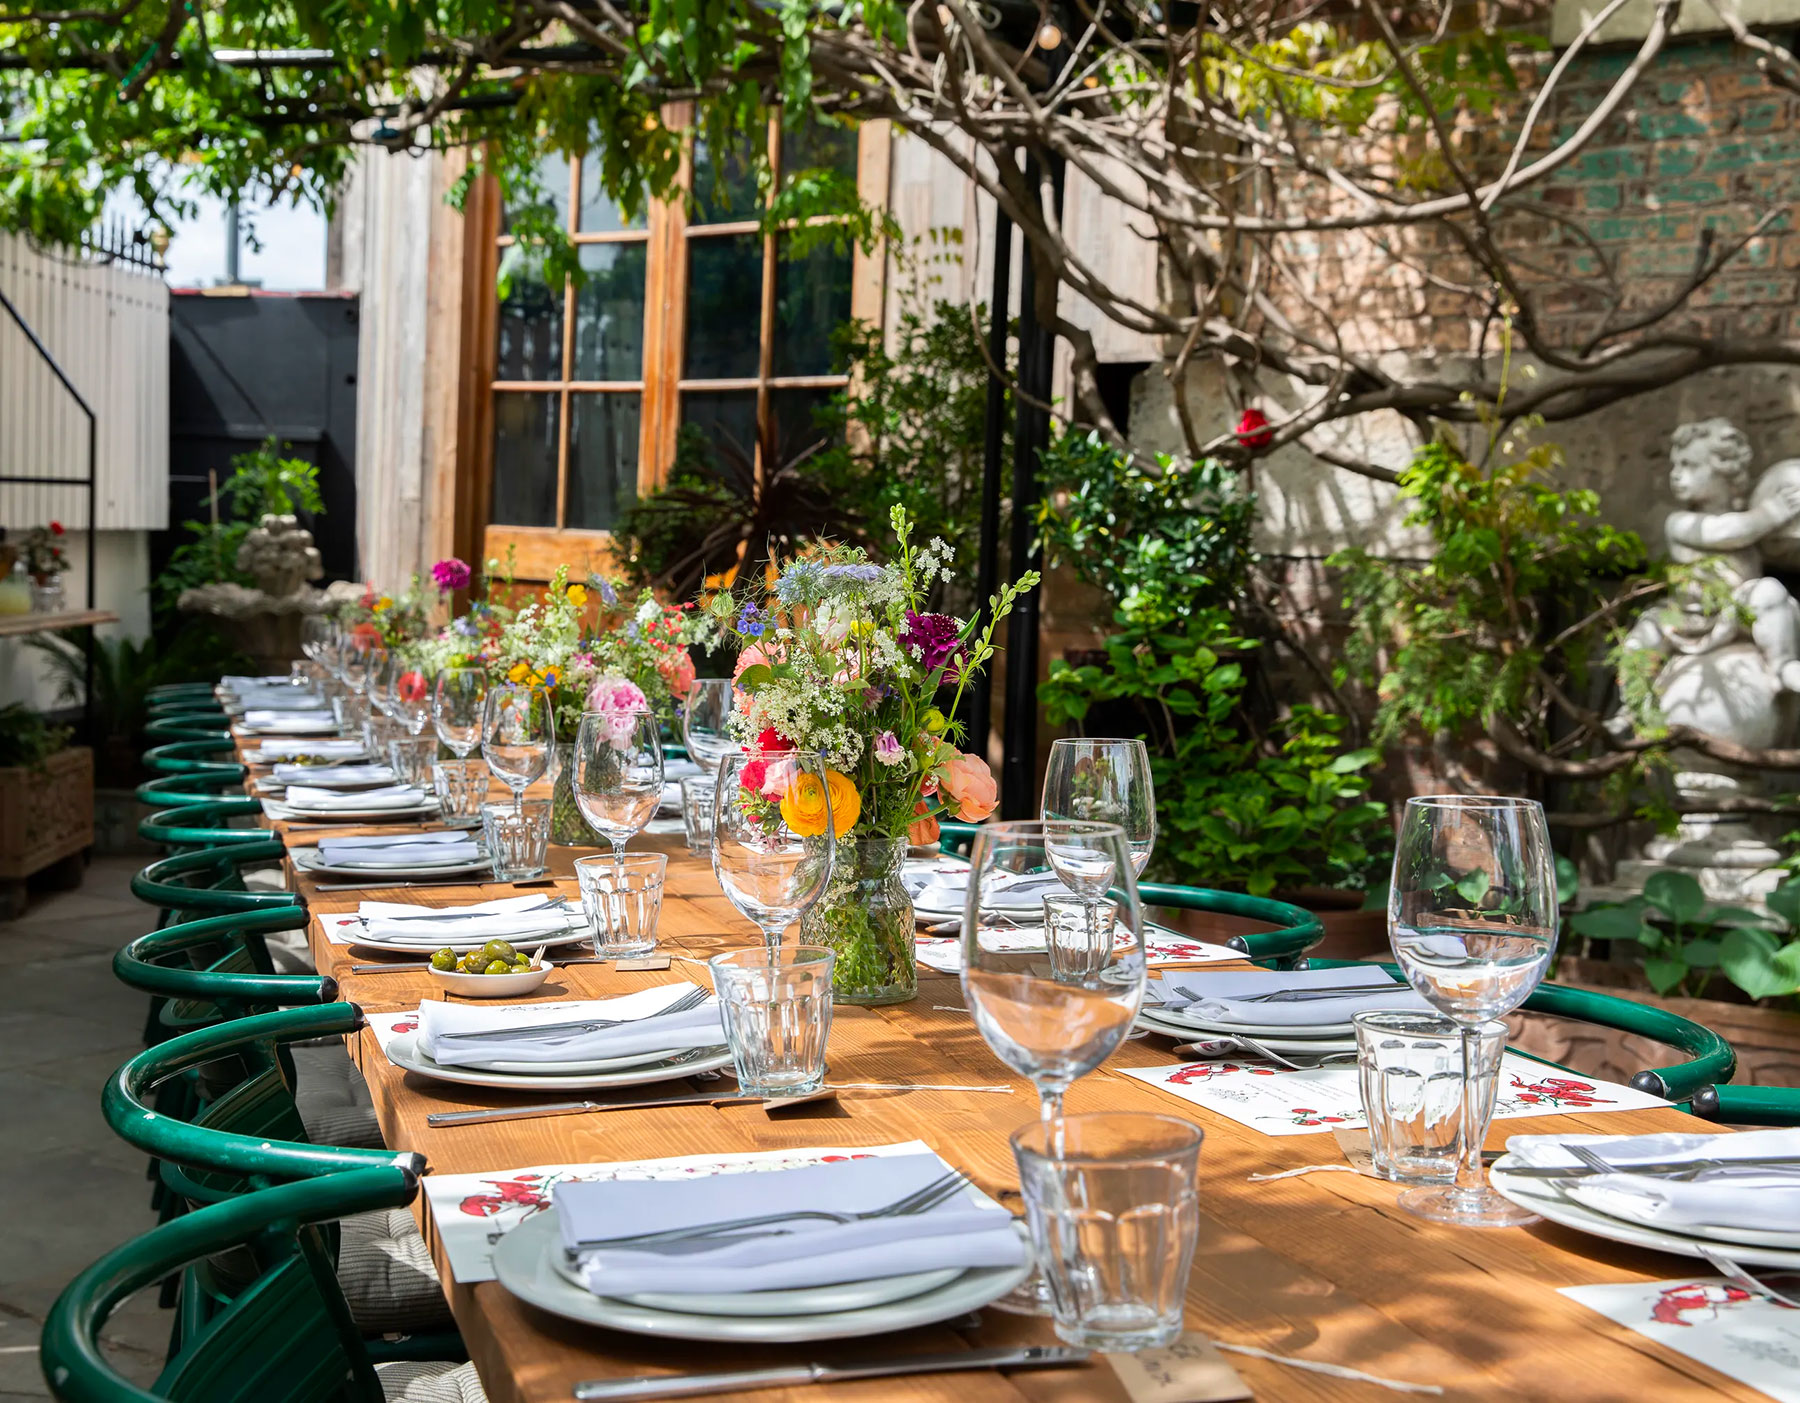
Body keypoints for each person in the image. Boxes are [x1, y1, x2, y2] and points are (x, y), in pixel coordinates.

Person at [1622, 417, 1800, 692]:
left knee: (1770, 593)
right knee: (1642, 636)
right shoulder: (1680, 523)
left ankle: (1783, 666)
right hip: (1686, 615)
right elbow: (1725, 532)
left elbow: (1759, 534)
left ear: (1724, 469)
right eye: (1675, 464)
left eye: (1689, 465)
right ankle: (1632, 707)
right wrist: (1773, 512)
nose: (1676, 473)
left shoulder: (1749, 518)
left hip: (1737, 608)